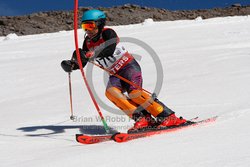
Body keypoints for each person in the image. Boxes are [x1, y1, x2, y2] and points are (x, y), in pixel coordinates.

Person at [61, 9, 186, 132]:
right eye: (84, 26)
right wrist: (72, 64)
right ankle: (142, 119)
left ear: (99, 24)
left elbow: (109, 49)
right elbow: (83, 61)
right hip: (114, 73)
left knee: (134, 93)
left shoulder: (108, 33)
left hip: (128, 66)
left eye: (90, 25)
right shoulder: (87, 42)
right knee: (111, 93)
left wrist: (92, 54)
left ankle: (168, 116)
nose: (87, 30)